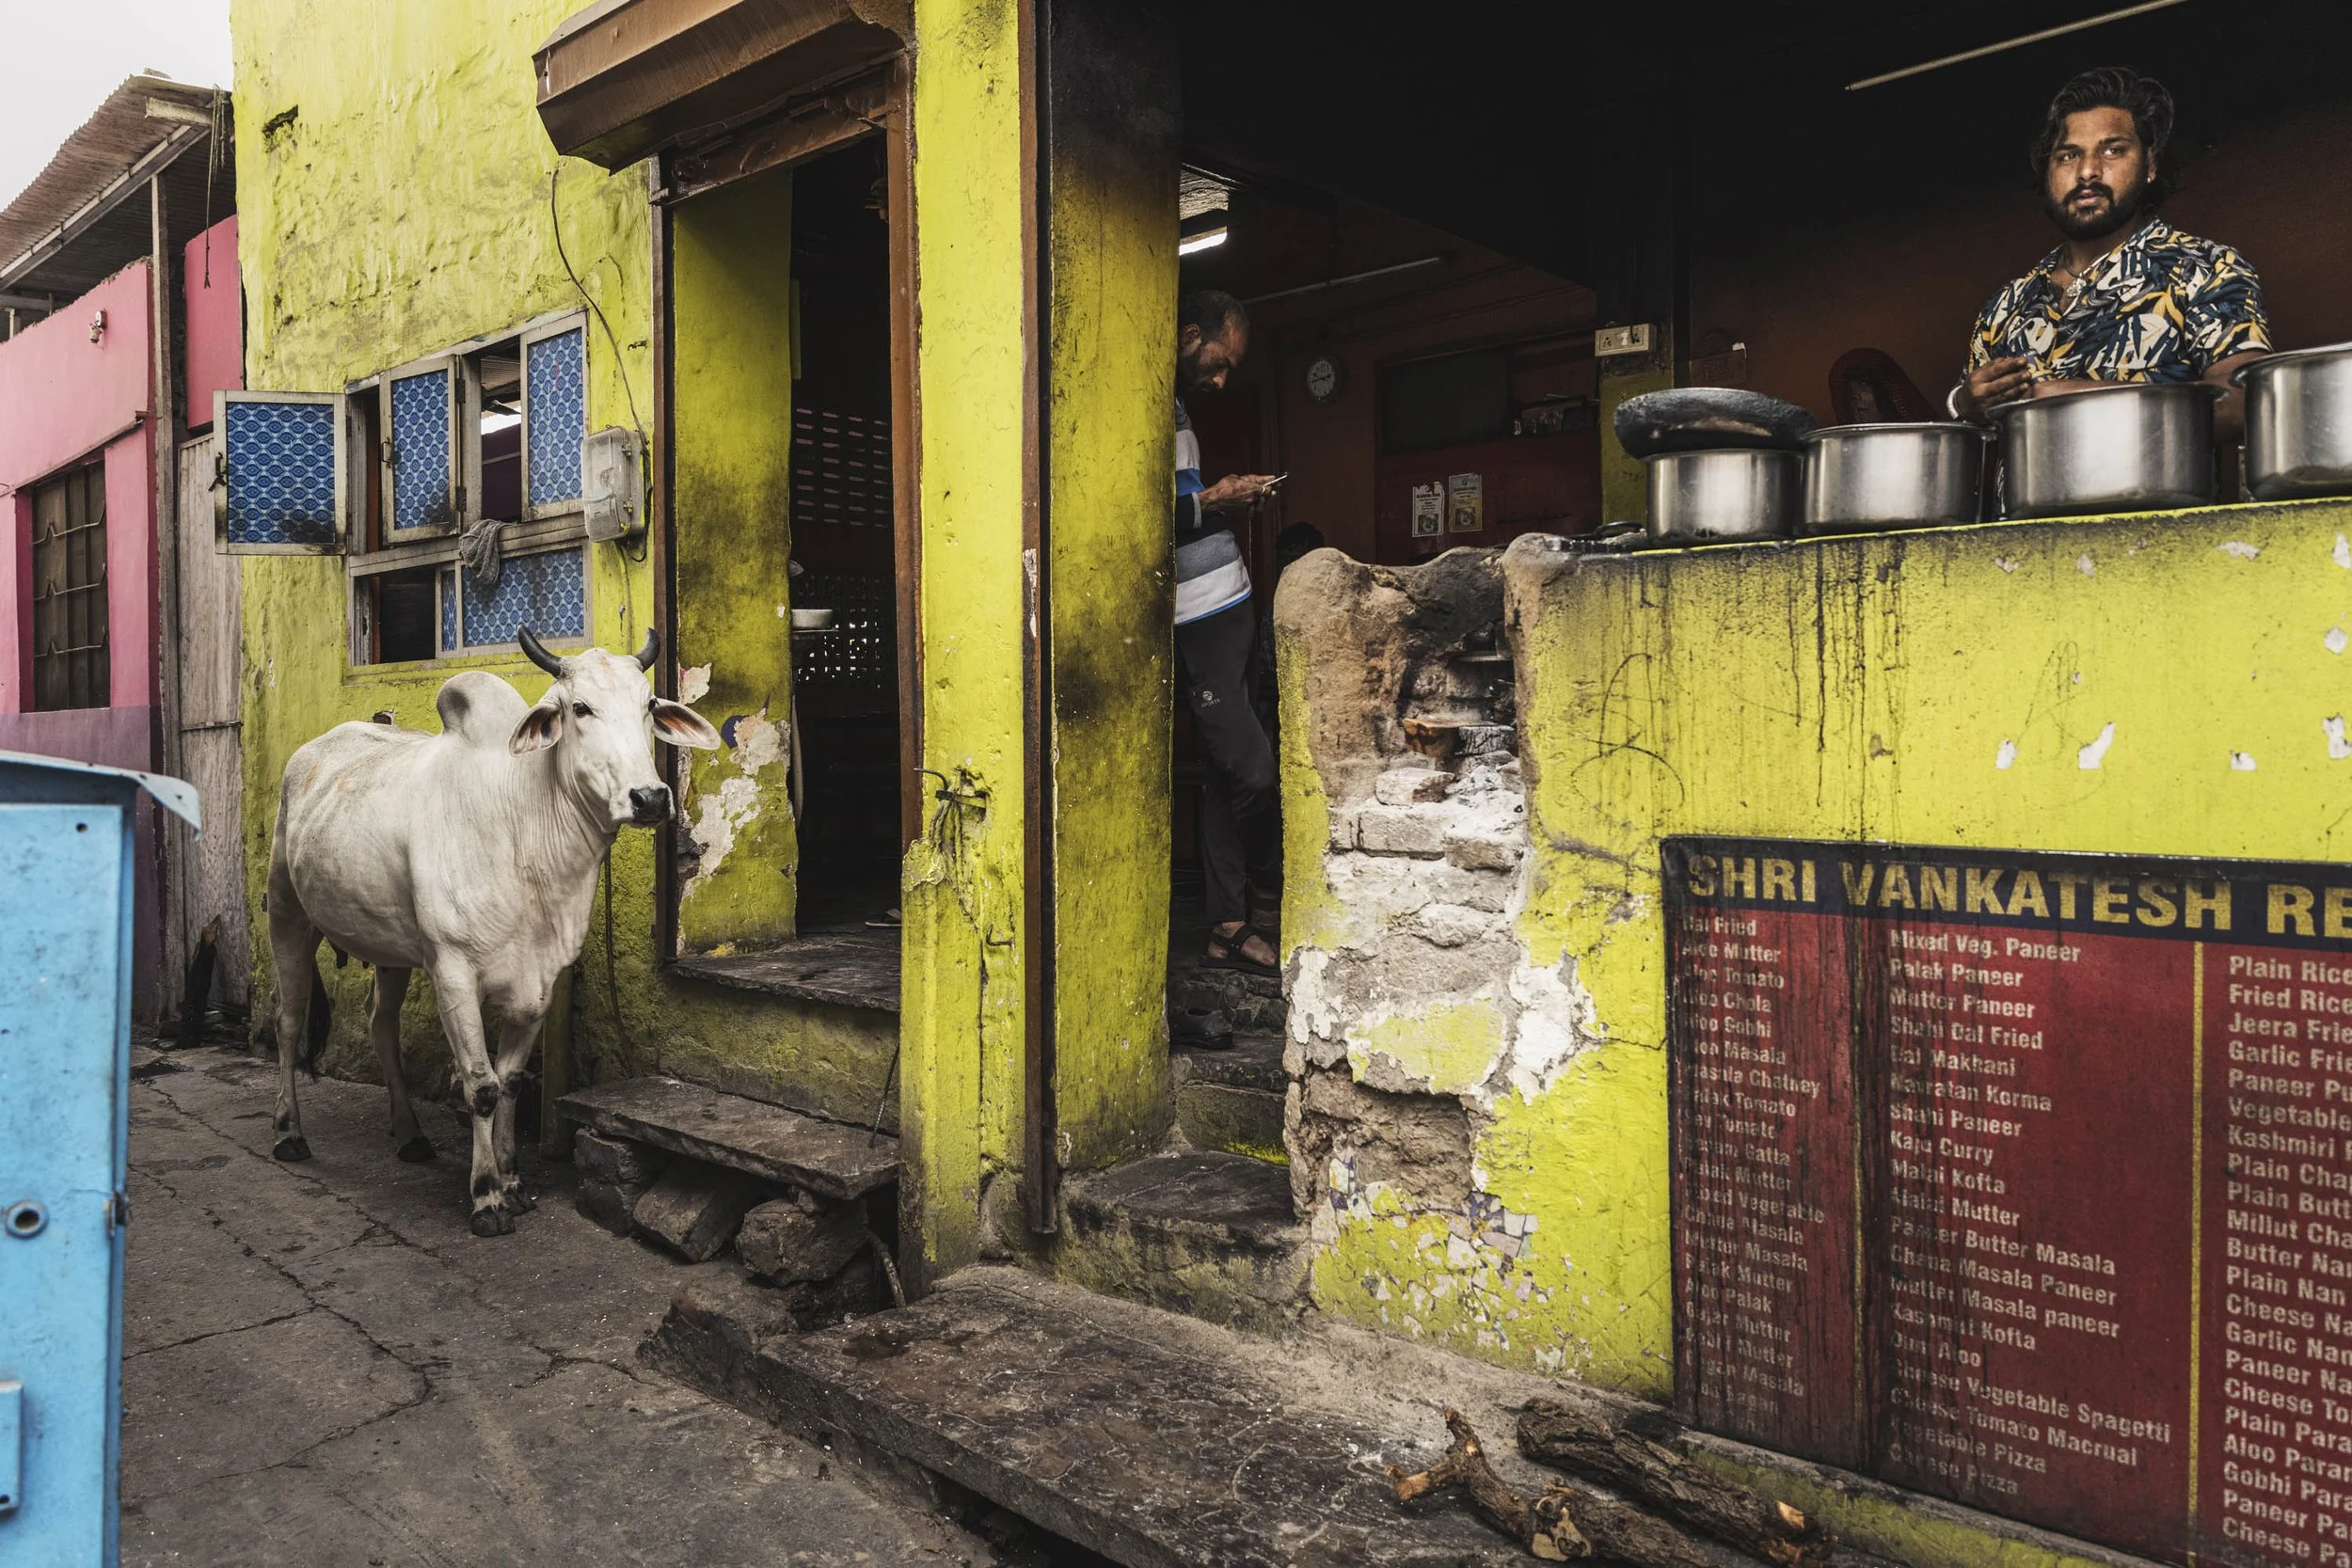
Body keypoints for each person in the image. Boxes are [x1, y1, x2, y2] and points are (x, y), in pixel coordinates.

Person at [1948, 67, 2269, 439]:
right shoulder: (2007, 304)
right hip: (2024, 500)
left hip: (2161, 500)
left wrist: (2087, 399)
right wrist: (1963, 403)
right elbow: (1967, 437)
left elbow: (2245, 402)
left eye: (2113, 150)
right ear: (2047, 172)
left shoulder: (2205, 269)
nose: (2087, 171)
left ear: (2149, 165)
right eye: (2068, 156)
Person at [1175, 291, 1282, 975]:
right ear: (1190, 335)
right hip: (1198, 621)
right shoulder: (1134, 400)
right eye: (1218, 363)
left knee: (1223, 776)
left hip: (1232, 604)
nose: (1220, 381)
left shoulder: (1179, 410)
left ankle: (1229, 924)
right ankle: (1272, 894)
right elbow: (1132, 511)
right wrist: (1219, 497)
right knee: (1255, 774)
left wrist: (1217, 500)